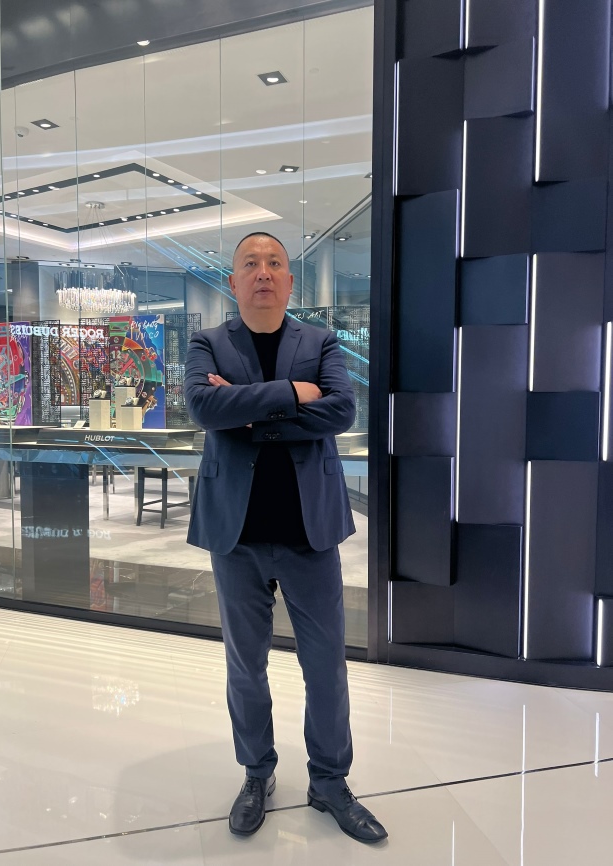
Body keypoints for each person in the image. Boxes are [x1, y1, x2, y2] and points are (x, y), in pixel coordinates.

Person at [184, 232, 387, 844]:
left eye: (275, 263)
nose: (264, 272)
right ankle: (257, 773)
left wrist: (246, 411)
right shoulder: (207, 342)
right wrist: (294, 396)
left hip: (309, 532)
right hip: (237, 533)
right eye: (251, 263)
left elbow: (342, 411)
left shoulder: (320, 341)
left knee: (325, 666)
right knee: (245, 666)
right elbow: (203, 409)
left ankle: (329, 781)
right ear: (234, 280)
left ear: (290, 281)